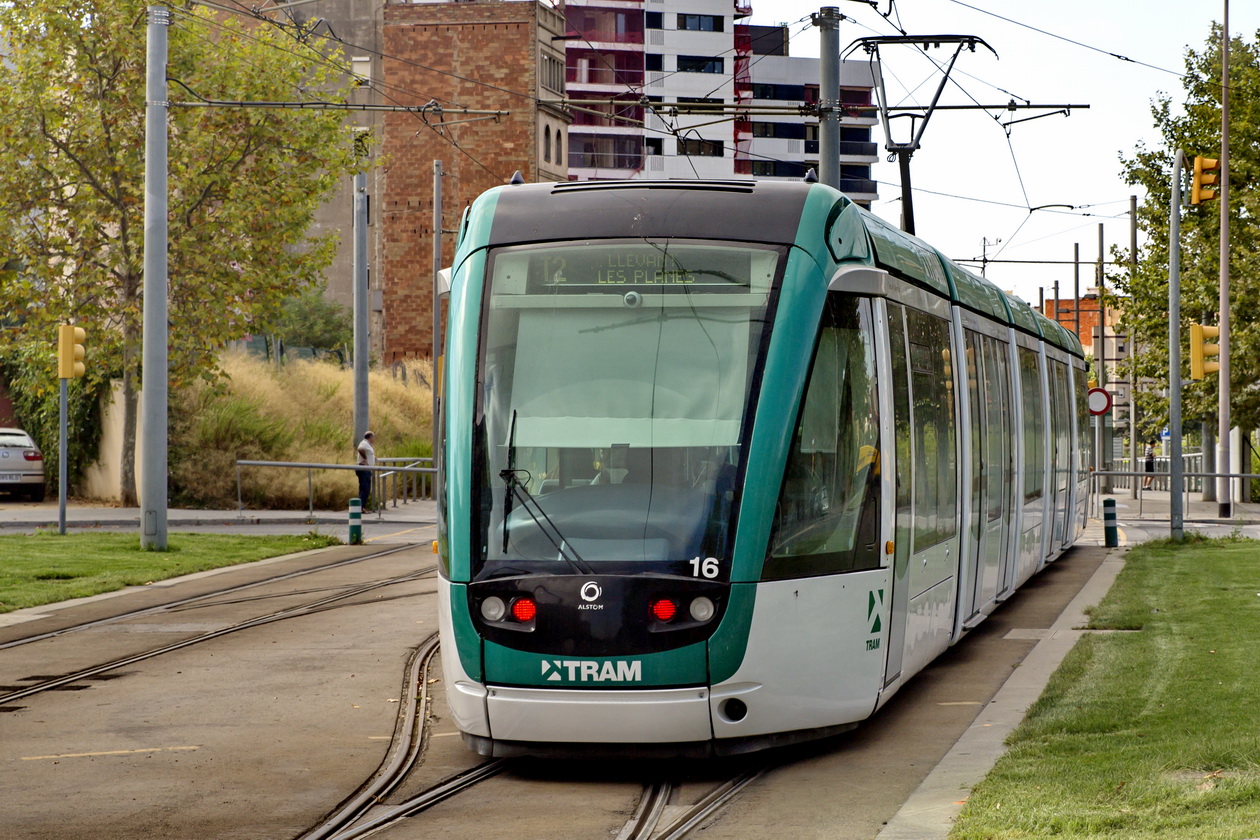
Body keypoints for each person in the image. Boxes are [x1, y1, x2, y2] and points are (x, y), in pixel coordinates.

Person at [356, 431, 376, 509]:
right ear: (370, 437)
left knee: (363, 488)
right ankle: (361, 507)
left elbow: (368, 453)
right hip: (363, 469)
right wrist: (365, 458)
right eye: (373, 437)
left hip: (365, 469)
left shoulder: (368, 444)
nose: (374, 439)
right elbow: (360, 449)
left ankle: (360, 507)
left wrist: (373, 458)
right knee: (365, 489)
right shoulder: (364, 443)